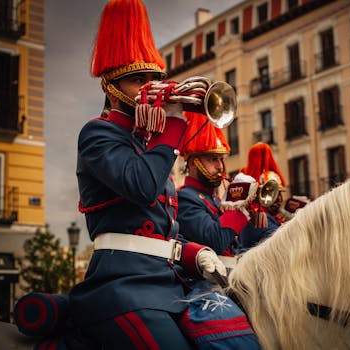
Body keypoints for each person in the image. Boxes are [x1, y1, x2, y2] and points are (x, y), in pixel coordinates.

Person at [68, 1, 228, 348]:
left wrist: (193, 253)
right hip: (121, 286)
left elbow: (158, 231)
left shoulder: (150, 144)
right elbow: (140, 187)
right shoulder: (97, 133)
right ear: (110, 84)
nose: (148, 88)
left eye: (153, 80)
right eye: (137, 80)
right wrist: (171, 125)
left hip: (166, 283)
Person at [176, 112, 255, 265]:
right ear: (193, 163)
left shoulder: (216, 200)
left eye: (221, 159)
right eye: (213, 159)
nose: (220, 166)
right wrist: (238, 207)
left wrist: (250, 215)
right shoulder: (184, 197)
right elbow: (215, 241)